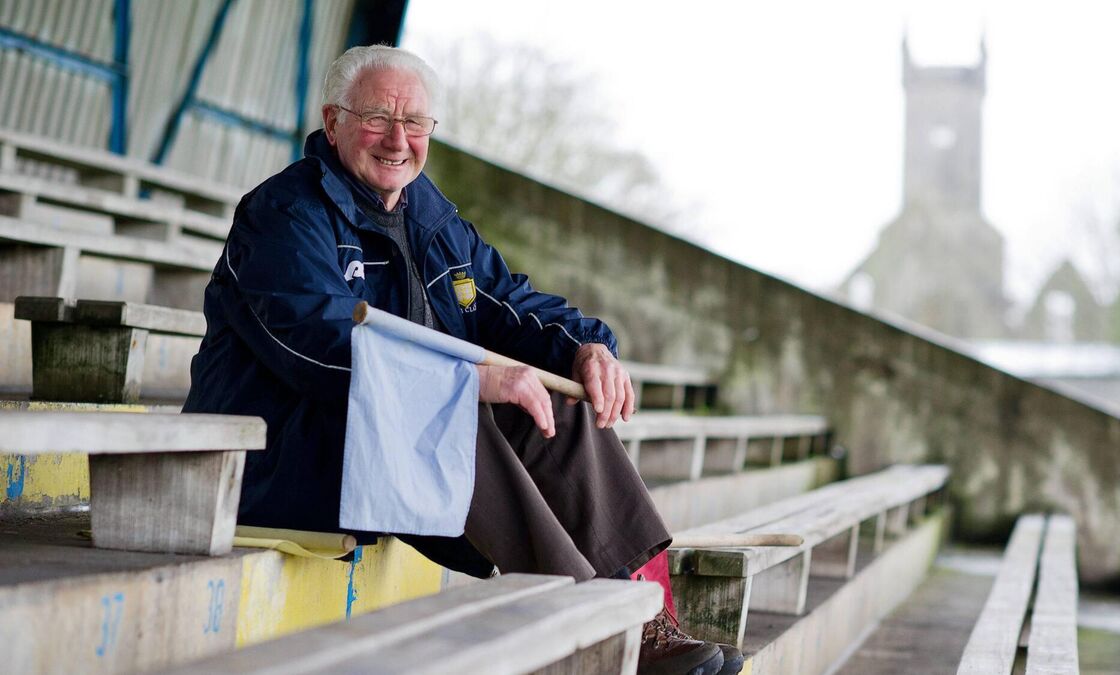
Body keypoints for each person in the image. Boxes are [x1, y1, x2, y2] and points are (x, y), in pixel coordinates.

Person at [183, 44, 740, 675]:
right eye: (377, 118)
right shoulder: (283, 214)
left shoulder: (430, 218)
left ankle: (648, 617)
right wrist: (468, 381)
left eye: (414, 122)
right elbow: (316, 346)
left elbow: (510, 303)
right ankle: (596, 630)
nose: (398, 140)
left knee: (559, 403)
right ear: (333, 122)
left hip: (376, 451)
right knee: (452, 413)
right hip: (282, 455)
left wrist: (588, 347)